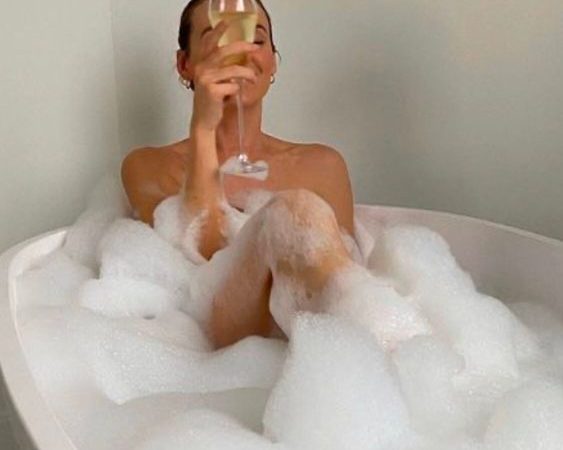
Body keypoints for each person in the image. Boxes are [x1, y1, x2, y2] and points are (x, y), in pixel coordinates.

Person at [121, 0, 357, 349]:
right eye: (217, 38)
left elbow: (350, 283)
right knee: (291, 211)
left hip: (313, 351)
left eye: (256, 39)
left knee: (295, 212)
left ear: (272, 61)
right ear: (185, 64)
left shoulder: (322, 165)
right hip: (209, 347)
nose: (239, 53)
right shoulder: (147, 166)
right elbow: (202, 257)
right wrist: (203, 131)